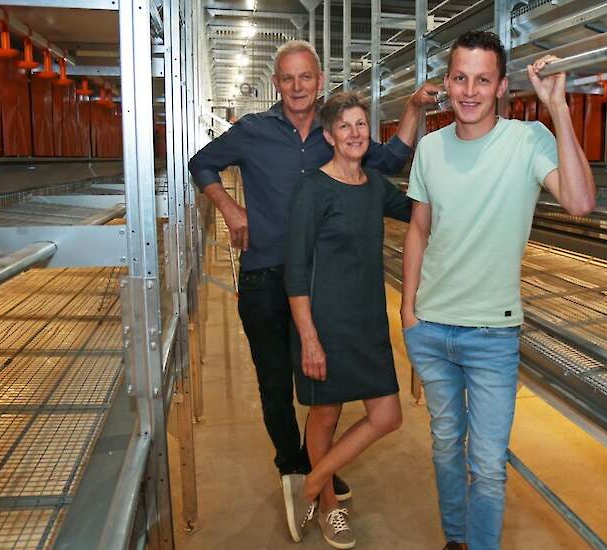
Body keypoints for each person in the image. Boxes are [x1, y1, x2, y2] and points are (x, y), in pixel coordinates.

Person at [187, 40, 438, 526]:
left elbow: (387, 161)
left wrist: (411, 109)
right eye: (288, 78)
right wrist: (229, 205)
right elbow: (201, 162)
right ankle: (295, 466)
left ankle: (317, 470)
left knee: (323, 388)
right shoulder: (254, 130)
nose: (298, 86)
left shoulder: (333, 129)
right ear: (276, 84)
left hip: (318, 284)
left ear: (320, 81)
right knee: (276, 382)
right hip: (266, 272)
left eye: (306, 77)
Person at [401, 31, 596, 550]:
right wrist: (408, 311)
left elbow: (579, 202)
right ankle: (455, 540)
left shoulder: (528, 139)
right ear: (447, 83)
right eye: (461, 78)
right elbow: (418, 229)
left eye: (482, 80)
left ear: (501, 86)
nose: (470, 91)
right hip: (432, 327)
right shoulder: (430, 148)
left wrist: (559, 107)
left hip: (492, 336)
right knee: (445, 447)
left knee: (486, 465)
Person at [284, 92, 412, 548]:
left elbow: (419, 211)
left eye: (361, 125)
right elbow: (295, 268)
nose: (356, 134)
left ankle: (312, 482)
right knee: (326, 411)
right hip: (325, 323)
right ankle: (330, 509)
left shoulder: (375, 185)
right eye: (346, 127)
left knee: (388, 415)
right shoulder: (313, 188)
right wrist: (309, 339)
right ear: (329, 136)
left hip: (369, 322)